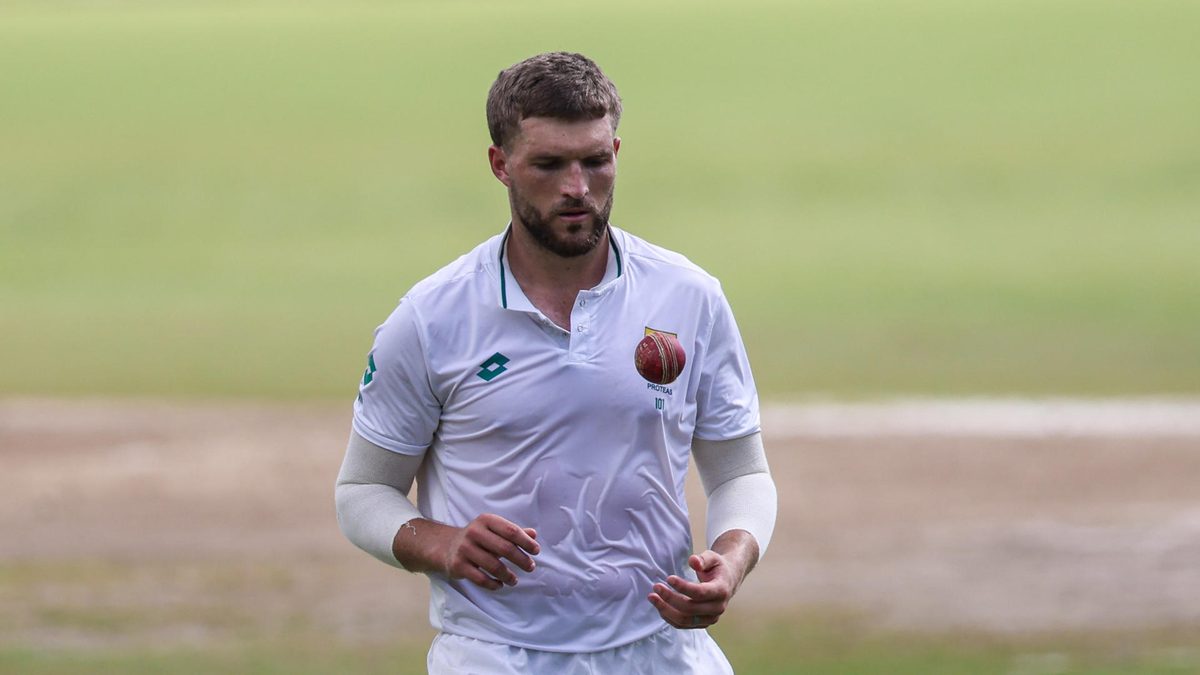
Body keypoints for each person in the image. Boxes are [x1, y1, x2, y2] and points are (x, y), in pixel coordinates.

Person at [335, 51, 777, 674]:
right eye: (548, 164)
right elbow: (362, 491)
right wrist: (444, 543)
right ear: (501, 165)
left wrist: (731, 559)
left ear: (616, 152)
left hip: (663, 652)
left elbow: (739, 472)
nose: (577, 188)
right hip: (495, 657)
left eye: (595, 161)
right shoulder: (432, 318)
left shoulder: (688, 296)